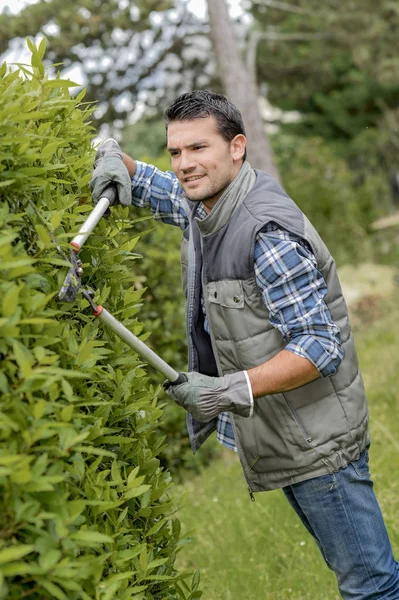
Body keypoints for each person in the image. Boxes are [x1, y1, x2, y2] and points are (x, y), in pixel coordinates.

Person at [90, 90, 399, 599]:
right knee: (367, 576)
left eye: (198, 149)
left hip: (319, 443)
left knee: (371, 584)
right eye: (176, 152)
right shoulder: (208, 204)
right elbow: (155, 187)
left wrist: (225, 389)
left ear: (237, 147)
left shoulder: (265, 231)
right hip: (294, 435)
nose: (185, 165)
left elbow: (319, 346)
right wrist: (109, 151)